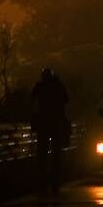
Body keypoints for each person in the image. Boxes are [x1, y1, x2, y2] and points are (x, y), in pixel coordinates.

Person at [30, 68, 70, 197]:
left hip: (43, 125)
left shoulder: (40, 86)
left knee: (42, 156)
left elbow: (31, 100)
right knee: (56, 156)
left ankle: (43, 184)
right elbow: (66, 100)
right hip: (56, 124)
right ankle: (55, 184)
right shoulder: (58, 86)